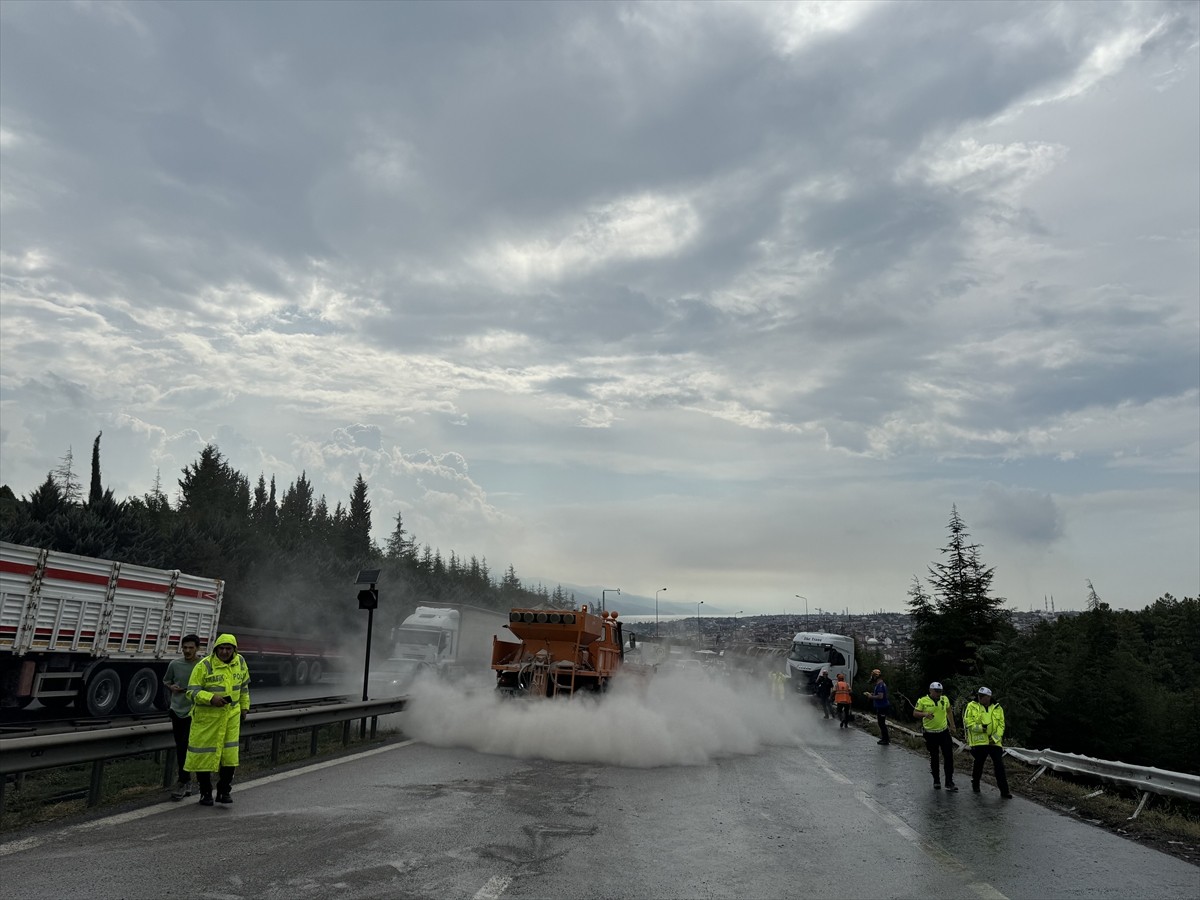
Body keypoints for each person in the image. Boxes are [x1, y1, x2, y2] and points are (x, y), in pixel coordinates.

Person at [185, 633, 251, 806]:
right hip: (208, 719)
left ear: (234, 650)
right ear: (215, 649)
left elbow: (244, 688)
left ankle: (223, 791)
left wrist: (244, 707)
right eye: (221, 648)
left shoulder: (240, 662)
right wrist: (210, 698)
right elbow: (191, 692)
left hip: (231, 716)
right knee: (204, 756)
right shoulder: (204, 665)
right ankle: (205, 793)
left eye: (228, 649)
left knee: (230, 756)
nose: (224, 652)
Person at [163, 634, 201, 800]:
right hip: (177, 710)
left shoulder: (203, 665)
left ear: (197, 648)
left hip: (195, 711)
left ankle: (194, 780)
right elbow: (166, 680)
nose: (187, 651)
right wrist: (172, 687)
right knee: (181, 746)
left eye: (190, 648)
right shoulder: (175, 664)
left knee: (192, 746)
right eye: (184, 648)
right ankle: (184, 781)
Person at [964, 686, 1012, 799]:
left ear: (989, 697)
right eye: (979, 696)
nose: (980, 698)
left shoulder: (997, 708)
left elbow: (1001, 725)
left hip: (994, 742)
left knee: (999, 765)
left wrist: (995, 738)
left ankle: (1005, 791)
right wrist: (981, 728)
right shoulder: (972, 706)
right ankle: (975, 782)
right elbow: (968, 723)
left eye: (983, 696)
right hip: (979, 741)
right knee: (979, 764)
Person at [914, 681, 958, 791]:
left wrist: (952, 725)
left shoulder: (944, 699)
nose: (938, 694)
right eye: (936, 691)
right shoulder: (923, 700)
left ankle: (949, 781)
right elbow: (915, 713)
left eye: (940, 692)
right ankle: (936, 780)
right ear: (930, 691)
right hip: (930, 733)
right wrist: (924, 714)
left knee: (948, 756)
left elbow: (949, 711)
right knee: (934, 757)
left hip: (943, 732)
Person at [864, 668, 890, 744]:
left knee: (882, 723)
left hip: (883, 706)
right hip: (880, 706)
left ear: (876, 677)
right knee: (880, 723)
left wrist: (870, 697)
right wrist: (872, 694)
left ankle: (886, 739)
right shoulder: (879, 685)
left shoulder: (880, 685)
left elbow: (880, 696)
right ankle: (884, 738)